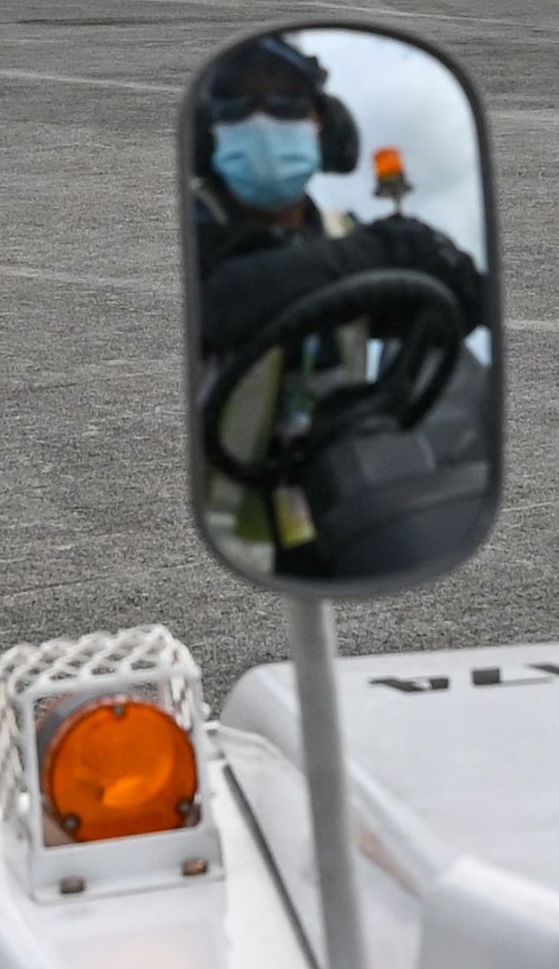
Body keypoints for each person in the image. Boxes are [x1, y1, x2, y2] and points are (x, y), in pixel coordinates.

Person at [190, 32, 497, 583]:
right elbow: (224, 302)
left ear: (322, 128)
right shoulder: (198, 224)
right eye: (238, 103)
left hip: (332, 502)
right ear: (210, 133)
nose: (263, 120)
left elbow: (452, 310)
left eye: (286, 103)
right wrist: (378, 250)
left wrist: (443, 268)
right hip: (219, 536)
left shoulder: (337, 236)